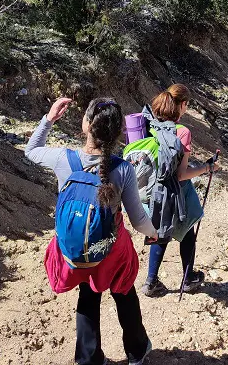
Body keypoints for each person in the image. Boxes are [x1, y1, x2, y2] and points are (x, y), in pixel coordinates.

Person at [25, 97, 156, 365]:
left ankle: (88, 358)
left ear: (86, 125)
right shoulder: (124, 170)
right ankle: (137, 350)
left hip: (77, 248)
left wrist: (49, 119)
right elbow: (137, 218)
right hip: (112, 248)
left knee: (88, 293)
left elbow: (32, 150)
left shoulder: (64, 159)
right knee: (123, 290)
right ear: (118, 132)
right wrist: (152, 233)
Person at [141, 84, 220, 297]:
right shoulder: (182, 132)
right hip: (174, 191)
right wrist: (207, 167)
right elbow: (181, 175)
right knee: (187, 229)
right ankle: (188, 277)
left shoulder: (151, 125)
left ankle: (151, 281)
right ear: (182, 105)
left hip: (150, 190)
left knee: (161, 232)